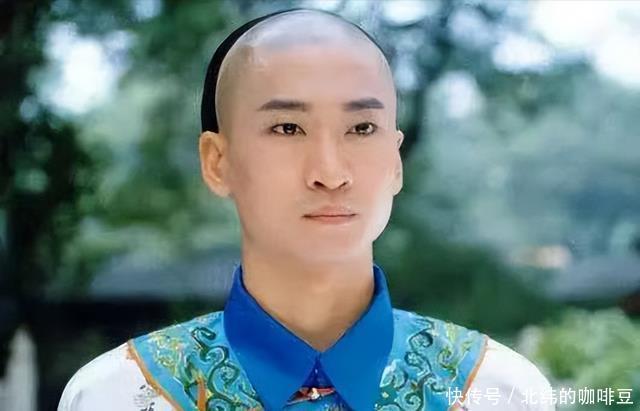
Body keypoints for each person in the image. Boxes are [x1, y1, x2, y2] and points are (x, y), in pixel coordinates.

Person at [58, 8, 554, 411]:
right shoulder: (120, 396)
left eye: (361, 129)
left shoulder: (496, 392)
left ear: (395, 162)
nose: (330, 173)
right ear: (217, 162)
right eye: (287, 128)